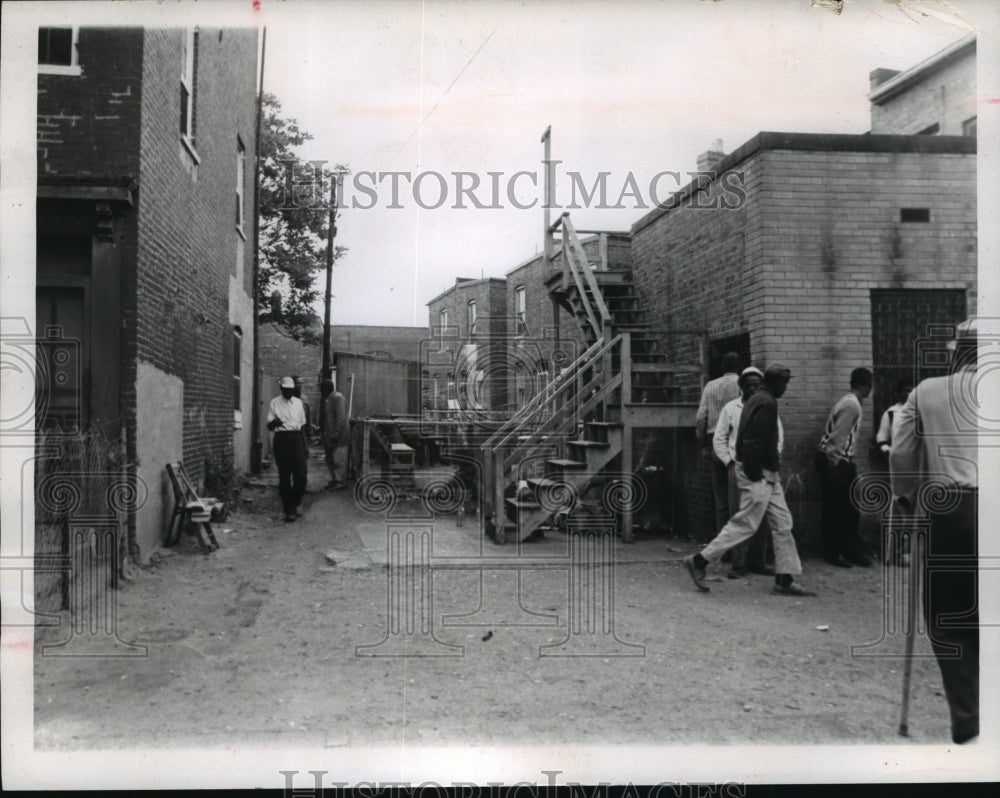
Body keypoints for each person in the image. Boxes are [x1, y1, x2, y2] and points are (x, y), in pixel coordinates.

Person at [890, 318, 978, 745]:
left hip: (952, 512)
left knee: (951, 620)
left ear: (957, 352)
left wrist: (906, 501)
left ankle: (970, 719)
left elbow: (903, 454)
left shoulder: (926, 392)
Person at [684, 363, 815, 597]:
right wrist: (757, 474)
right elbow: (752, 442)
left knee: (783, 524)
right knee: (746, 524)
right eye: (785, 382)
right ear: (776, 383)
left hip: (765, 472)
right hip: (760, 473)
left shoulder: (757, 400)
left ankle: (785, 580)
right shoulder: (766, 403)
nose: (786, 387)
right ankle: (699, 561)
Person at [712, 366, 781, 578]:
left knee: (760, 515)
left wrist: (771, 461)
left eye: (756, 384)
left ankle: (757, 562)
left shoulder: (767, 406)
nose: (752, 388)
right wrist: (729, 462)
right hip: (739, 469)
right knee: (739, 516)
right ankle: (738, 563)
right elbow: (719, 437)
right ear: (741, 387)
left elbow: (778, 436)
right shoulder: (731, 408)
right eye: (748, 384)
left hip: (762, 470)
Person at [814, 367, 874, 568]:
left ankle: (850, 551)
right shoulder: (852, 405)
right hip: (836, 460)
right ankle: (834, 553)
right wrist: (835, 467)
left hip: (840, 461)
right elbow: (837, 438)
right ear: (867, 386)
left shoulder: (849, 401)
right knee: (836, 509)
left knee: (848, 509)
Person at [695, 352, 742, 537]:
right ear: (740, 366)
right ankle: (737, 545)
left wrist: (703, 445)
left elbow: (700, 419)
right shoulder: (743, 386)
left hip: (715, 442)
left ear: (723, 367)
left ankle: (722, 546)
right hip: (736, 443)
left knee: (721, 499)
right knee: (738, 499)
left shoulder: (710, 386)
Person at [876, 377, 914, 566]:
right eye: (904, 390)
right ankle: (895, 552)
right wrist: (889, 452)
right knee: (898, 509)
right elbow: (881, 437)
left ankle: (911, 551)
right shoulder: (891, 413)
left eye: (911, 389)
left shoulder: (921, 412)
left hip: (917, 465)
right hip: (898, 466)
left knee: (916, 509)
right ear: (898, 393)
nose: (907, 393)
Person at [267, 376, 308, 522]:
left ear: (294, 389)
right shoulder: (275, 403)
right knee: (285, 475)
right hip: (282, 439)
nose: (288, 392)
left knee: (301, 474)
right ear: (281, 389)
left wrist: (305, 445)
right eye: (285, 390)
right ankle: (289, 510)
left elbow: (302, 426)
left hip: (296, 438)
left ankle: (296, 502)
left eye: (291, 390)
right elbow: (269, 426)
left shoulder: (298, 403)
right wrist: (275, 423)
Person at [321, 378, 350, 489]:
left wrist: (335, 435)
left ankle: (340, 482)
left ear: (327, 389)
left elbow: (341, 419)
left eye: (322, 389)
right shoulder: (329, 399)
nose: (320, 392)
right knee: (330, 459)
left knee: (339, 460)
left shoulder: (338, 397)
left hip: (339, 437)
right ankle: (335, 479)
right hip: (330, 436)